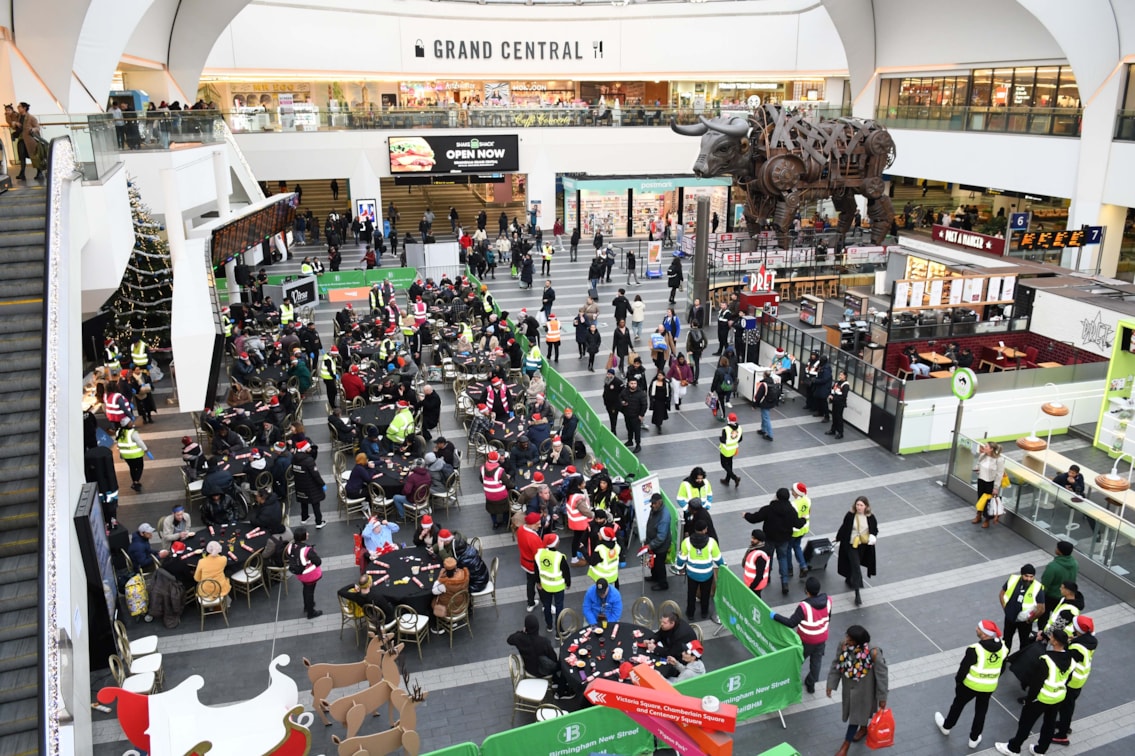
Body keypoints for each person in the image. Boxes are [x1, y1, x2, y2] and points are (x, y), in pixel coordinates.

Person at [994, 628, 1072, 756]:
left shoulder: (1047, 659)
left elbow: (1037, 683)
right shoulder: (1070, 659)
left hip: (1042, 697)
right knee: (1049, 723)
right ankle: (1040, 750)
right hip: (1058, 696)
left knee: (1026, 723)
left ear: (1056, 642)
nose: (1050, 639)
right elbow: (1068, 678)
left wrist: (1030, 699)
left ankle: (1014, 747)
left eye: (1052, 638)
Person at [934, 619, 1006, 750]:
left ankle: (946, 727)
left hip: (970, 685)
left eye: (978, 628)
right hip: (989, 686)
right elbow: (1002, 667)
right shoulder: (1003, 648)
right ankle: (974, 738)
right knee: (981, 711)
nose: (976, 629)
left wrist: (958, 684)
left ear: (984, 634)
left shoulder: (975, 649)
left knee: (958, 705)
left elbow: (963, 670)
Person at [827, 625, 889, 756]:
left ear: (857, 642)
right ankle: (864, 728)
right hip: (849, 690)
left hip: (865, 692)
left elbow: (882, 675)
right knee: (860, 714)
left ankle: (845, 746)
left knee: (855, 718)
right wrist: (831, 684)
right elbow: (836, 664)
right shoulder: (843, 645)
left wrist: (882, 698)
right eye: (847, 636)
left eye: (850, 638)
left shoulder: (873, 652)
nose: (846, 639)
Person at [773, 577, 832, 694]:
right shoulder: (828, 601)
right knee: (816, 663)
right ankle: (811, 684)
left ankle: (788, 682)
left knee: (797, 661)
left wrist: (775, 616)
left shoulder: (804, 606)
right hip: (821, 639)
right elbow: (828, 617)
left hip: (805, 640)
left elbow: (791, 623)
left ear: (807, 591)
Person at [744, 487, 806, 596]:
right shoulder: (791, 510)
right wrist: (804, 519)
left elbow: (755, 518)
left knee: (768, 558)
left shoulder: (769, 509)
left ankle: (767, 576)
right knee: (783, 559)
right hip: (784, 539)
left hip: (769, 538)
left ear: (777, 496)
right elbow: (798, 524)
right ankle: (785, 582)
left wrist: (746, 515)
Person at [1051, 615, 1097, 746]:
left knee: (1066, 706)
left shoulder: (1077, 647)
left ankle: (1062, 735)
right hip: (1081, 678)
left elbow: (1068, 659)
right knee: (1068, 705)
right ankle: (1064, 725)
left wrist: (1067, 645)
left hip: (1073, 680)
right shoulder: (1090, 641)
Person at [508, 613, 574, 700]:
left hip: (529, 669)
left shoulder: (520, 639)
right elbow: (553, 658)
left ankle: (555, 681)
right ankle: (561, 691)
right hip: (542, 671)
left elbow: (509, 639)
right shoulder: (544, 642)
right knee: (564, 664)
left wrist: (522, 632)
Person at [835, 496, 878, 606]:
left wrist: (873, 536)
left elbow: (874, 529)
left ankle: (850, 578)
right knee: (856, 567)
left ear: (866, 506)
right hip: (851, 545)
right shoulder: (850, 515)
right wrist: (838, 537)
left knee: (855, 565)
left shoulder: (870, 517)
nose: (859, 507)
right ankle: (857, 593)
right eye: (857, 505)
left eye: (861, 505)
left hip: (863, 545)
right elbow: (844, 527)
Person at [676, 521, 723, 620]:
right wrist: (724, 567)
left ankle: (690, 613)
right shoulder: (711, 542)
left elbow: (681, 558)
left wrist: (679, 567)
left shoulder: (687, 542)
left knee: (691, 594)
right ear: (705, 530)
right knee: (705, 594)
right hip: (707, 574)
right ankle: (704, 612)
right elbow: (718, 559)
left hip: (692, 574)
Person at [999, 563, 1046, 655]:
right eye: (1026, 576)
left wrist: (1030, 620)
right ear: (1021, 575)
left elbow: (1042, 609)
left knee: (1024, 643)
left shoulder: (1037, 587)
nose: (1029, 579)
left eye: (1031, 577)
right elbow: (1002, 594)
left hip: (1025, 621)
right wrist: (1006, 609)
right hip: (1010, 618)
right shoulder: (1012, 579)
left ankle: (1020, 662)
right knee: (1006, 641)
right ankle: (1003, 659)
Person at [1038, 541, 1078, 632]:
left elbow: (1044, 585)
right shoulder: (1075, 564)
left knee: (1043, 619)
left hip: (1050, 597)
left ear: (1060, 551)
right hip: (1065, 597)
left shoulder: (1053, 567)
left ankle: (1042, 635)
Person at [536, 533, 571, 633]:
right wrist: (568, 583)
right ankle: (559, 630)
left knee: (547, 606)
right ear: (556, 544)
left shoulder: (539, 554)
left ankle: (549, 626)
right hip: (558, 587)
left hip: (545, 586)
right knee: (559, 607)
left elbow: (536, 570)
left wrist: (538, 582)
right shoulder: (559, 557)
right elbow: (566, 572)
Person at [647, 609, 697, 677]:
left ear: (672, 623)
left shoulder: (681, 635)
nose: (661, 624)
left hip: (682, 659)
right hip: (670, 647)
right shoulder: (668, 626)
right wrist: (653, 639)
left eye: (664, 623)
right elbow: (661, 633)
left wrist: (655, 648)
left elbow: (672, 653)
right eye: (661, 621)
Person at [286, 526, 323, 619]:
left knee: (306, 589)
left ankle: (307, 606)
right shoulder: (307, 550)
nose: (308, 534)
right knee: (310, 592)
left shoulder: (291, 546)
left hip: (299, 574)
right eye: (306, 533)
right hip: (309, 575)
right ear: (303, 537)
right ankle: (311, 611)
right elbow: (318, 562)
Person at [290, 439, 326, 528]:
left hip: (300, 484)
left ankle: (304, 518)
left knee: (303, 501)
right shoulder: (308, 460)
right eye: (309, 447)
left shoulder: (294, 458)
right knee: (315, 503)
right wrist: (322, 484)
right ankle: (319, 522)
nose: (310, 448)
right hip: (311, 485)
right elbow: (315, 475)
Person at [430, 557, 469, 634]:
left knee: (432, 602)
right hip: (462, 606)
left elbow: (434, 591)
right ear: (455, 567)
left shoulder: (444, 584)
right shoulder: (463, 574)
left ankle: (438, 627)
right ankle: (453, 622)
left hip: (449, 610)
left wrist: (439, 579)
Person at [974, 442, 1006, 528]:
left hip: (990, 482)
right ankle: (978, 515)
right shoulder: (982, 456)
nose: (984, 447)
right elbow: (978, 464)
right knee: (980, 498)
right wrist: (978, 469)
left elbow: (999, 474)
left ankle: (987, 519)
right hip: (981, 480)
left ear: (991, 449)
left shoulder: (999, 460)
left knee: (989, 502)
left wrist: (996, 487)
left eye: (986, 446)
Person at [645, 493, 672, 591]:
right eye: (652, 503)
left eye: (654, 503)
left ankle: (663, 583)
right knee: (654, 562)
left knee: (659, 564)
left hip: (660, 546)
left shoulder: (664, 517)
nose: (652, 505)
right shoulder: (655, 510)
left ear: (659, 503)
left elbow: (661, 537)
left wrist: (650, 545)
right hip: (653, 543)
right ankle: (654, 577)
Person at [116, 417, 150, 491]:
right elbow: (139, 442)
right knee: (140, 467)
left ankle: (135, 482)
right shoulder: (132, 433)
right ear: (127, 425)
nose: (132, 423)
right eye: (130, 422)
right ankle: (135, 482)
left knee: (132, 468)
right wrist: (145, 449)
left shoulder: (119, 432)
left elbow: (118, 443)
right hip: (135, 454)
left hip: (126, 455)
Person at [482, 450, 511, 530]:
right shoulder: (500, 470)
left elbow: (481, 480)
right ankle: (505, 521)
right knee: (505, 508)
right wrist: (514, 486)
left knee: (492, 509)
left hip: (489, 494)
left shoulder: (482, 468)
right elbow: (507, 483)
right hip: (501, 495)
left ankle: (495, 523)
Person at [789, 482, 812, 578]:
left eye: (793, 490)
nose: (791, 491)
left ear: (797, 493)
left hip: (794, 530)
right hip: (804, 527)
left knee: (788, 549)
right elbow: (809, 511)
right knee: (797, 546)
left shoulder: (793, 504)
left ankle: (789, 569)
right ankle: (803, 565)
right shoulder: (808, 500)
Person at [620, 376, 647, 452]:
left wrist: (641, 415)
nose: (633, 385)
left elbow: (644, 405)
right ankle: (630, 441)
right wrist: (622, 402)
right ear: (628, 384)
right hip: (627, 414)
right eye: (631, 383)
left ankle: (638, 445)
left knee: (637, 431)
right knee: (629, 428)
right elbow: (620, 397)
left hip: (636, 416)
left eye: (635, 383)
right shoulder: (625, 391)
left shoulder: (641, 394)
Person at [742, 529, 772, 597]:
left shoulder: (760, 556)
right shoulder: (755, 548)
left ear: (760, 540)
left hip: (755, 585)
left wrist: (751, 587)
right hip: (752, 583)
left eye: (754, 539)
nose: (751, 540)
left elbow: (759, 575)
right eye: (752, 537)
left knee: (755, 602)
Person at [718, 413, 743, 487]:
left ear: (728, 419)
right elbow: (740, 439)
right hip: (733, 448)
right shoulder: (739, 428)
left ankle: (735, 478)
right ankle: (727, 480)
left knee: (724, 464)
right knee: (730, 463)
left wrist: (720, 438)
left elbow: (723, 440)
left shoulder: (726, 429)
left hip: (725, 449)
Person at [827, 370, 850, 439]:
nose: (840, 376)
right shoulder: (837, 382)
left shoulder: (845, 385)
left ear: (845, 376)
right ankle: (833, 430)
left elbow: (843, 396)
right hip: (835, 402)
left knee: (839, 417)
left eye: (841, 375)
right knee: (834, 416)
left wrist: (834, 398)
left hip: (840, 404)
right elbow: (833, 389)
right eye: (840, 374)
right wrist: (831, 395)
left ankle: (840, 433)